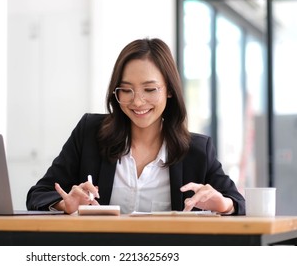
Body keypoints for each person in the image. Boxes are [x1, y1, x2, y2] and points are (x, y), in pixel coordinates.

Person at [26, 38, 245, 215]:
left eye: (150, 90)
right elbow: (39, 194)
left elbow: (238, 203)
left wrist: (224, 205)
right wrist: (65, 205)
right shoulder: (89, 133)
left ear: (169, 90)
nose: (138, 101)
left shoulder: (197, 150)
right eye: (126, 90)